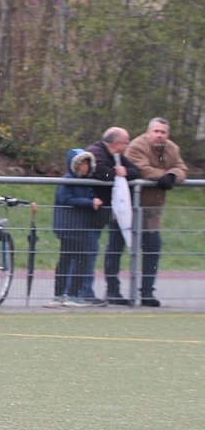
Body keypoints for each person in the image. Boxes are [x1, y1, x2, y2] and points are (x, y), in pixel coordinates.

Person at [123, 117, 188, 307]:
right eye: (156, 131)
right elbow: (141, 169)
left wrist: (172, 175)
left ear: (167, 134)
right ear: (148, 132)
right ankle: (113, 291)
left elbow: (182, 168)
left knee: (152, 249)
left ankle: (147, 292)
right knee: (116, 248)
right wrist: (164, 176)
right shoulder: (136, 146)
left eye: (163, 132)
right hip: (128, 207)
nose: (159, 135)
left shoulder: (172, 148)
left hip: (152, 210)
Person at [85, 127, 140, 305]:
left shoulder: (117, 156)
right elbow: (98, 172)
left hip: (112, 210)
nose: (127, 146)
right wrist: (117, 173)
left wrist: (125, 172)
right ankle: (84, 291)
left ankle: (112, 291)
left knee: (111, 249)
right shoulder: (95, 153)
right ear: (116, 143)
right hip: (93, 209)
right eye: (126, 143)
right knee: (88, 251)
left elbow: (135, 171)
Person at [49, 150, 101, 308]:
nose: (85, 167)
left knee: (73, 260)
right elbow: (65, 199)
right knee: (74, 260)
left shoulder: (86, 182)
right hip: (69, 227)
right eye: (82, 164)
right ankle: (67, 295)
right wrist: (90, 203)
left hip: (79, 227)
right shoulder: (68, 180)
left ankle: (65, 295)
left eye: (87, 164)